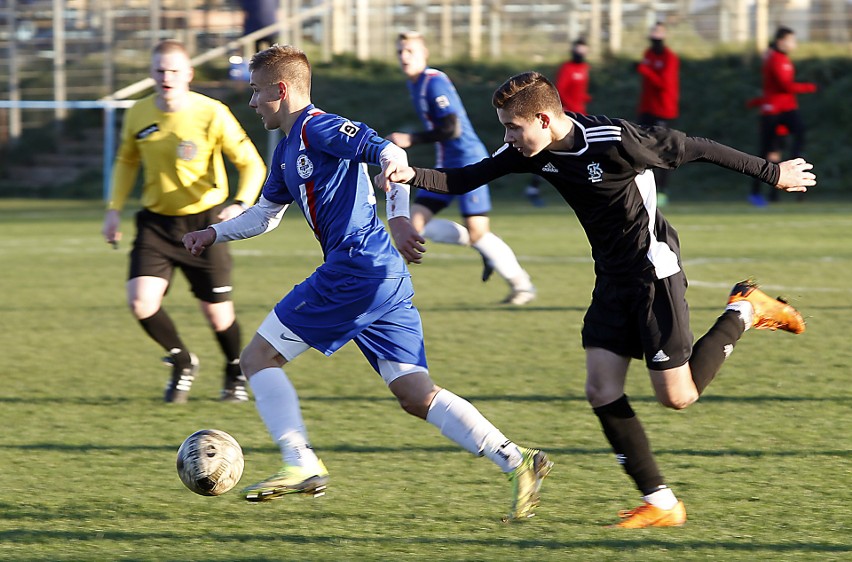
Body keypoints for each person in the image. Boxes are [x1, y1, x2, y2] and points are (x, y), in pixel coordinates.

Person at [376, 71, 814, 528]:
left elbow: (695, 146)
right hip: (611, 278)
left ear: (544, 119)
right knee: (601, 388)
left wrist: (774, 172)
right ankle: (662, 503)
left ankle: (745, 308)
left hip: (652, 274)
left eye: (512, 127)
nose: (506, 137)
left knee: (678, 397)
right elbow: (466, 177)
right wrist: (414, 173)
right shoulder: (531, 151)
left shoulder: (617, 140)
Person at [181, 45, 553, 521]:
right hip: (381, 278)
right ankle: (517, 459)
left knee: (257, 358)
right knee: (415, 393)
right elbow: (265, 217)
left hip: (356, 268)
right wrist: (214, 232)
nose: (252, 102)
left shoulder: (318, 126)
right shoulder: (287, 147)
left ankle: (300, 462)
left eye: (256, 92)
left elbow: (392, 154)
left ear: (281, 89)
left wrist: (398, 219)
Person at [101, 40, 266, 404]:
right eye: (160, 70)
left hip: (205, 224)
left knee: (218, 315)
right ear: (151, 73)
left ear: (189, 74)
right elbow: (127, 161)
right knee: (141, 302)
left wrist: (239, 204)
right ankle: (182, 360)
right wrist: (114, 208)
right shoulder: (138, 113)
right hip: (156, 224)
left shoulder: (212, 113)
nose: (166, 77)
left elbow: (251, 164)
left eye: (174, 70)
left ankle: (234, 369)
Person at [387, 31, 536, 305]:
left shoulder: (433, 82)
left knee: (478, 232)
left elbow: (451, 128)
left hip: (468, 161)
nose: (404, 57)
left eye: (410, 51)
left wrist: (411, 139)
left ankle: (522, 285)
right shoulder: (415, 84)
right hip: (446, 163)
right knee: (411, 224)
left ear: (424, 54)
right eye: (400, 52)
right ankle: (388, 295)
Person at [748, 26, 816, 207]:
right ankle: (756, 193)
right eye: (791, 40)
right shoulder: (776, 59)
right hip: (774, 112)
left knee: (776, 152)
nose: (794, 44)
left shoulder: (777, 58)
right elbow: (784, 86)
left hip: (783, 110)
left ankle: (777, 192)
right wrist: (810, 87)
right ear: (781, 41)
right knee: (767, 153)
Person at [525, 38, 591, 207]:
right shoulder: (567, 68)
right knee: (552, 152)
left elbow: (581, 92)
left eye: (583, 49)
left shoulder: (584, 68)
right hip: (567, 116)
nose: (580, 52)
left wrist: (585, 100)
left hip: (580, 116)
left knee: (579, 153)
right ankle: (535, 187)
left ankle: (582, 188)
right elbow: (559, 91)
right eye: (578, 49)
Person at [636, 22, 679, 207]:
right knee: (641, 147)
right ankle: (643, 187)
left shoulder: (670, 58)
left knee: (663, 149)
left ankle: (663, 190)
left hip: (664, 109)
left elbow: (664, 84)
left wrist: (645, 70)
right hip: (647, 108)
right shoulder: (648, 54)